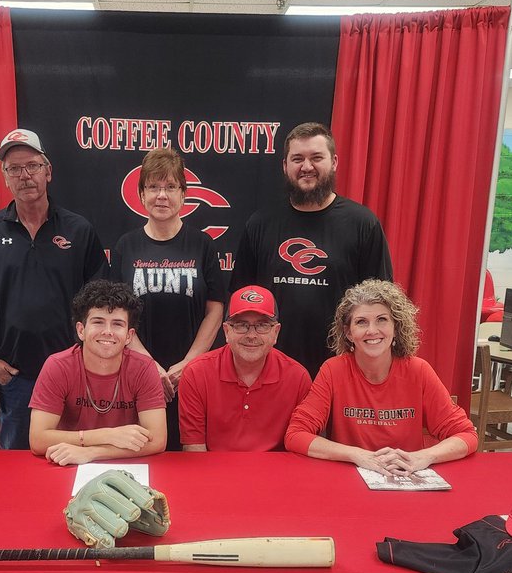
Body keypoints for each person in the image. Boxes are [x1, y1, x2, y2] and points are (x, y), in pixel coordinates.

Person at [0, 128, 108, 450]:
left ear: (48, 171)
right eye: (14, 169)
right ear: (5, 178)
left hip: (74, 374)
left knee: (75, 458)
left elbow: (101, 303)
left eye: (32, 166)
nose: (24, 176)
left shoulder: (79, 230)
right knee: (18, 469)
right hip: (15, 376)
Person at [230, 121, 393, 378]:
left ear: (334, 162)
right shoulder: (260, 223)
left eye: (317, 157)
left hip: (340, 369)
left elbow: (381, 305)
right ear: (285, 166)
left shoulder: (363, 224)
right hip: (270, 369)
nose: (307, 167)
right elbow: (241, 300)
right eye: (297, 159)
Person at [285, 280, 476, 475]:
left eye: (382, 319)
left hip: (406, 477)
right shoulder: (333, 370)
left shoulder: (419, 370)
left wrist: (423, 457)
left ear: (396, 327)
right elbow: (295, 435)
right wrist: (356, 455)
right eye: (361, 322)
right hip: (349, 478)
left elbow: (467, 435)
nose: (372, 330)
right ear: (348, 333)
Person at [111, 148, 226, 450]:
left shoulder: (202, 244)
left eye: (171, 186)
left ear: (184, 194)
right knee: (144, 452)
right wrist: (150, 367)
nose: (162, 195)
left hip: (192, 375)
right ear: (141, 193)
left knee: (191, 459)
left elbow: (215, 308)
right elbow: (118, 314)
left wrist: (189, 363)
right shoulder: (126, 245)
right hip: (137, 373)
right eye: (153, 186)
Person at [29, 280, 166, 466]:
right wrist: (108, 435)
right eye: (98, 322)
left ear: (129, 336)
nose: (108, 332)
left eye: (117, 324)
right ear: (81, 330)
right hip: (67, 463)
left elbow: (157, 440)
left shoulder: (143, 368)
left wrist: (92, 453)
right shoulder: (58, 366)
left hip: (126, 465)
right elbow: (38, 440)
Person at [178, 285, 311, 452]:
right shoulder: (196, 374)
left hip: (277, 475)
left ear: (276, 332)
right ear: (226, 331)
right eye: (241, 325)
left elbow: (302, 448)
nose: (251, 335)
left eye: (262, 325)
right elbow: (194, 450)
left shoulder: (297, 377)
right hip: (214, 474)